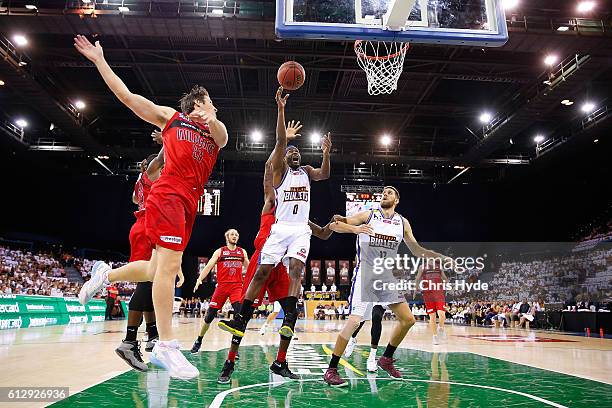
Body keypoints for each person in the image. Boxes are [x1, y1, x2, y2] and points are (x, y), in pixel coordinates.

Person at [74, 34, 227, 379]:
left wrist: (211, 118)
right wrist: (100, 61)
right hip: (168, 194)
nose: (214, 106)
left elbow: (223, 134)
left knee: (154, 269)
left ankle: (106, 275)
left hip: (190, 203)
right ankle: (166, 345)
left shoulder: (215, 132)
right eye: (210, 101)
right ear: (197, 104)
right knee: (168, 269)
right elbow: (127, 98)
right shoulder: (172, 119)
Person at [216, 108, 333, 384]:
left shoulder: (304, 185)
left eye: (297, 152)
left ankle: (281, 358)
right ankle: (229, 363)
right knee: (242, 318)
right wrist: (281, 120)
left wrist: (333, 225)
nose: (294, 155)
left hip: (289, 251)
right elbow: (276, 155)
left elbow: (322, 233)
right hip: (265, 254)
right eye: (289, 153)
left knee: (292, 301)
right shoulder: (271, 195)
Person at [323, 186, 452, 387]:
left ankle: (386, 359)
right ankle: (331, 369)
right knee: (355, 321)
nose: (385, 194)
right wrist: (355, 229)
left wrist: (440, 257)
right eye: (383, 192)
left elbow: (417, 250)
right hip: (366, 273)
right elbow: (334, 225)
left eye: (390, 192)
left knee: (408, 320)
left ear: (397, 200)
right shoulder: (369, 215)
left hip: (385, 275)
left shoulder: (402, 223)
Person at [115, 143, 167, 372]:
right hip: (146, 227)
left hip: (144, 226)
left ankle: (152, 334)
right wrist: (169, 136)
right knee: (146, 284)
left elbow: (136, 201)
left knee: (150, 284)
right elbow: (162, 160)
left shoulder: (141, 182)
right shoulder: (151, 174)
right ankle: (129, 341)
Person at [190, 229, 248, 353]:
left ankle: (234, 349)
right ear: (227, 237)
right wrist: (199, 278)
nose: (235, 236)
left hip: (237, 287)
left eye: (237, 235)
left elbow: (249, 269)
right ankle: (199, 340)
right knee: (209, 316)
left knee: (239, 318)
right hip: (221, 286)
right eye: (232, 234)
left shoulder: (242, 252)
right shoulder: (220, 251)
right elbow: (209, 266)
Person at [343, 304, 385, 372]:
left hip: (380, 295)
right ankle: (353, 339)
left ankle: (372, 357)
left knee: (376, 316)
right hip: (366, 295)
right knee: (361, 319)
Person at [415, 265, 448, 345]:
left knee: (442, 314)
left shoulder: (439, 267)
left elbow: (445, 278)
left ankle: (441, 328)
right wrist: (416, 288)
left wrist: (445, 283)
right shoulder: (422, 267)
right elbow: (418, 278)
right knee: (432, 317)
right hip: (428, 294)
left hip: (438, 292)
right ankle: (435, 336)